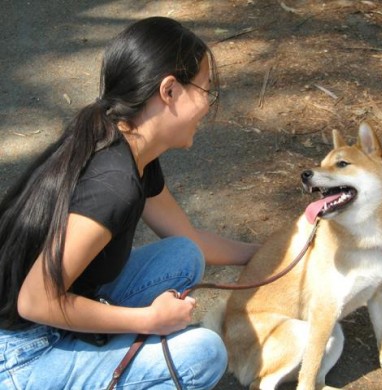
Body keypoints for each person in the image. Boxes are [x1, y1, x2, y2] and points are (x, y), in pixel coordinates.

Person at [0, 16, 258, 389]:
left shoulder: (127, 145)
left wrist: (271, 251)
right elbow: (35, 301)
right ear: (169, 90)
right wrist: (148, 321)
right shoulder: (112, 186)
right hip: (21, 355)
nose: (207, 105)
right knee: (204, 355)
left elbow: (191, 237)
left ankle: (99, 352)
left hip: (52, 317)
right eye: (205, 90)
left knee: (184, 255)